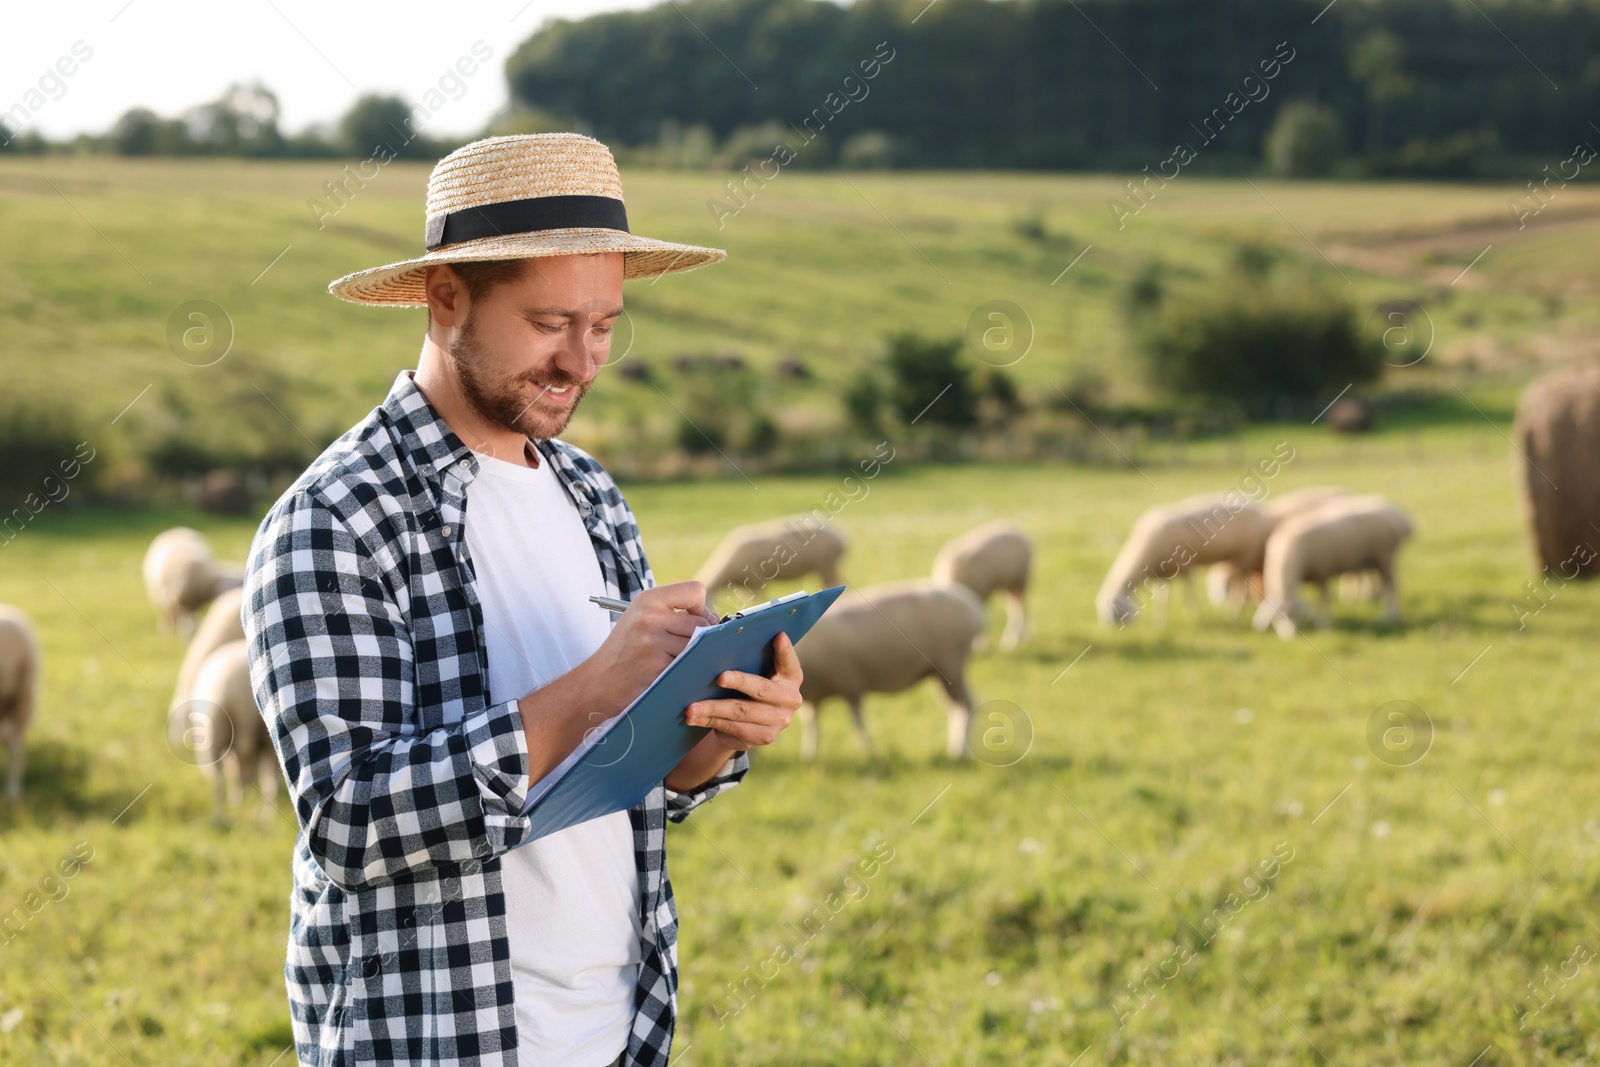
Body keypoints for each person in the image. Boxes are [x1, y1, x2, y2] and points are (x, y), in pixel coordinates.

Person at [242, 133, 804, 1067]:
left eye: (605, 324)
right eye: (550, 322)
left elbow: (629, 778)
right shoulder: (335, 518)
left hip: (617, 1029)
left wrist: (712, 733)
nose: (584, 362)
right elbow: (350, 821)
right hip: (438, 1039)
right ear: (445, 295)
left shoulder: (592, 494)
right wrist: (593, 684)